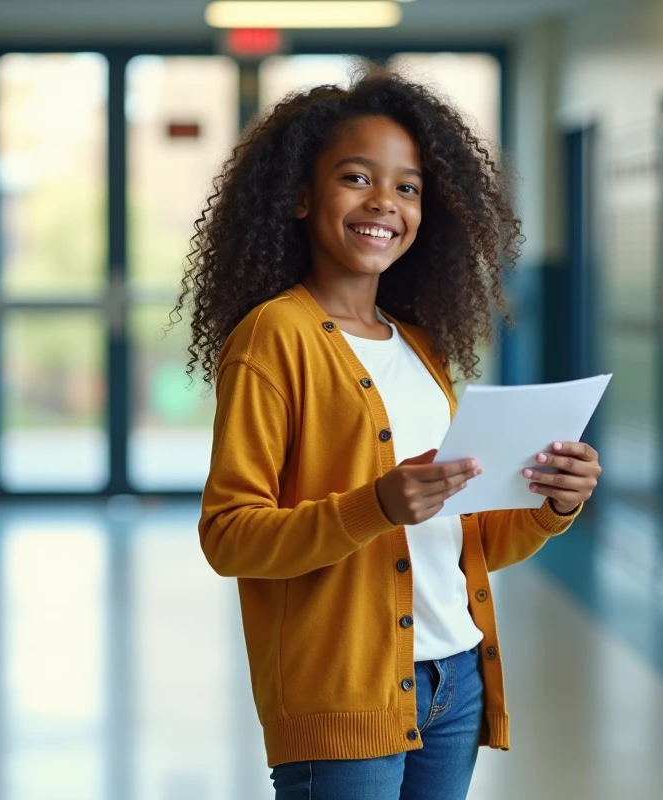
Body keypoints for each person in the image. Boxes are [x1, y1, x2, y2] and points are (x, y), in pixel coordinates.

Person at [173, 66, 602, 800]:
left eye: (407, 187)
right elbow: (230, 536)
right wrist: (375, 505)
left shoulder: (420, 348)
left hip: (454, 679)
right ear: (302, 197)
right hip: (342, 695)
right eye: (356, 177)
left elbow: (470, 541)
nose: (385, 203)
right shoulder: (274, 337)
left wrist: (549, 505)